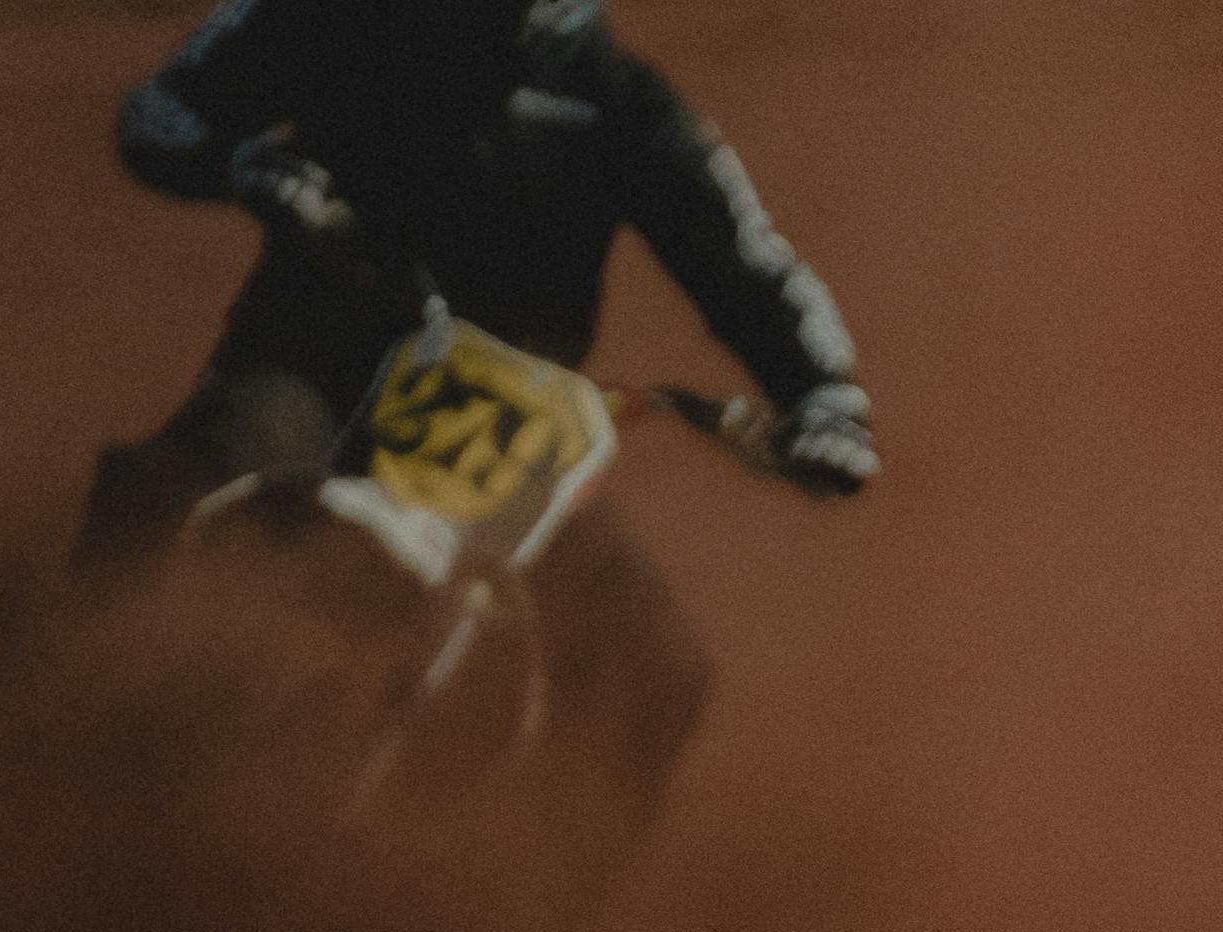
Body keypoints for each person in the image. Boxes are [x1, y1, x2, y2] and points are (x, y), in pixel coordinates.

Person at [77, 0, 875, 777]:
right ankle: (49, 694)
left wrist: (823, 396)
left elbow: (745, 258)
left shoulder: (617, 96)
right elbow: (159, 110)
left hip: (503, 421)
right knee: (201, 488)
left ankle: (529, 905)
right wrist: (242, 165)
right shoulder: (327, 17)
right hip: (316, 358)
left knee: (651, 670)